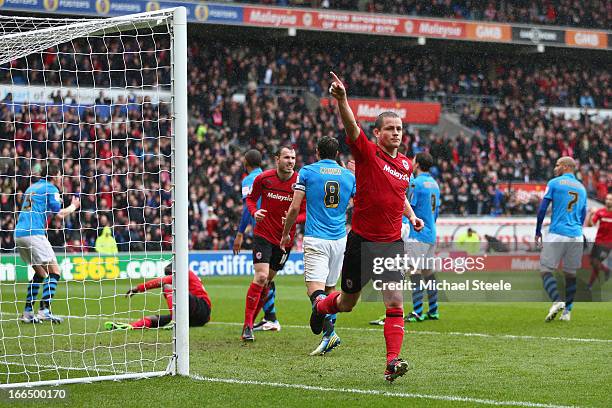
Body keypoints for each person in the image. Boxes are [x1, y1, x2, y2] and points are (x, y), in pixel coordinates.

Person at [310, 72, 423, 382]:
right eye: (390, 129)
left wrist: (411, 216)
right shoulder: (367, 154)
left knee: (395, 300)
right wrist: (343, 100)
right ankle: (321, 307)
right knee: (347, 303)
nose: (396, 133)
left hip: (390, 244)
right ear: (376, 134)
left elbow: (397, 197)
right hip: (361, 241)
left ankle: (391, 362)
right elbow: (350, 126)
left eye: (399, 129)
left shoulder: (404, 165)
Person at [281, 136, 356, 356]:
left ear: (317, 152)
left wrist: (286, 233)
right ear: (337, 154)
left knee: (314, 290)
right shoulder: (348, 176)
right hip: (340, 238)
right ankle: (326, 337)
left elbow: (295, 207)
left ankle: (329, 332)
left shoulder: (307, 172)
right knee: (331, 289)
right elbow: (356, 203)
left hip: (316, 238)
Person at [241, 145, 305, 341]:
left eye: (293, 158)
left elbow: (305, 210)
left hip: (284, 240)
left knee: (267, 281)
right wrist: (254, 212)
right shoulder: (264, 178)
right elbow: (251, 200)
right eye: (286, 157)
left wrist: (294, 220)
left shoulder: (300, 182)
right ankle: (248, 325)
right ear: (277, 159)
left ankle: (258, 320)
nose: (291, 161)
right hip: (263, 235)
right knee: (260, 277)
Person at [369, 152, 440, 326]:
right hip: (431, 232)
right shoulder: (435, 184)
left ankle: (417, 312)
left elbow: (406, 207)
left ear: (417, 164)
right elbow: (436, 211)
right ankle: (433, 310)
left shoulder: (416, 184)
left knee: (414, 271)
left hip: (418, 234)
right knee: (428, 272)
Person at [15, 163, 80, 324]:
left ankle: (28, 312)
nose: (61, 178)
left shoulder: (32, 188)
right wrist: (73, 206)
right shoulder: (51, 188)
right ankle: (44, 310)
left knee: (41, 273)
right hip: (34, 233)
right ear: (54, 176)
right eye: (59, 175)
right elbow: (58, 214)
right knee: (55, 271)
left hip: (19, 233)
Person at [233, 149, 280, 332]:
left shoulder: (248, 180)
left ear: (246, 162)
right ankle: (271, 317)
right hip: (278, 231)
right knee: (267, 277)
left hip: (263, 232)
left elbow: (247, 208)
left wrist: (240, 233)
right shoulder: (270, 176)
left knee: (262, 277)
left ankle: (263, 319)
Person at [535, 156, 587, 322]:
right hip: (577, 234)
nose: (555, 167)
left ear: (565, 167)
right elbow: (583, 214)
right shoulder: (582, 188)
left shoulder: (554, 183)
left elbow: (543, 208)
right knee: (571, 274)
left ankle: (557, 301)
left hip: (558, 232)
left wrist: (538, 231)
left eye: (557, 165)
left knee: (545, 269)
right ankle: (568, 313)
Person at [105, 264, 211, 330]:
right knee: (153, 319)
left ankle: (175, 320)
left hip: (202, 308)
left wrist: (138, 288)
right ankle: (132, 326)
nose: (169, 276)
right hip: (191, 316)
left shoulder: (185, 272)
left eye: (169, 274)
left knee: (167, 285)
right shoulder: (185, 279)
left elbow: (163, 281)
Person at [586, 193, 612, 290]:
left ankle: (590, 285)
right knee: (593, 263)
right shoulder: (600, 212)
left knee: (596, 263)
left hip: (608, 244)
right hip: (598, 242)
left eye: (610, 199)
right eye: (607, 199)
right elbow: (590, 224)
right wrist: (590, 214)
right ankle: (606, 271)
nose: (608, 201)